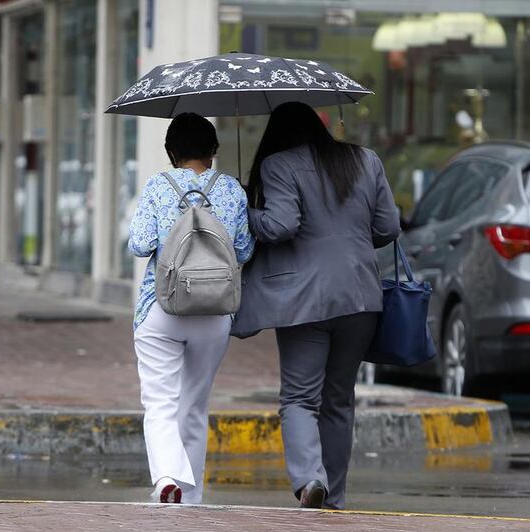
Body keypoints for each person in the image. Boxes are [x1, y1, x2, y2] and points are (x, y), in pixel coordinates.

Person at [231, 102, 400, 510]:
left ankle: (310, 480)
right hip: (360, 294)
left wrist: (243, 210)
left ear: (276, 133)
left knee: (300, 398)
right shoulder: (365, 159)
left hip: (303, 300)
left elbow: (281, 225)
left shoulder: (278, 165)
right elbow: (389, 226)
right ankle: (334, 496)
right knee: (340, 399)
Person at [128, 113, 254, 504]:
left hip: (162, 307)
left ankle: (167, 477)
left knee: (160, 402)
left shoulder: (157, 186)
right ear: (214, 150)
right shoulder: (231, 189)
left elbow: (139, 243)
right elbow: (245, 250)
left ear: (171, 151)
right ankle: (191, 494)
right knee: (195, 405)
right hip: (215, 313)